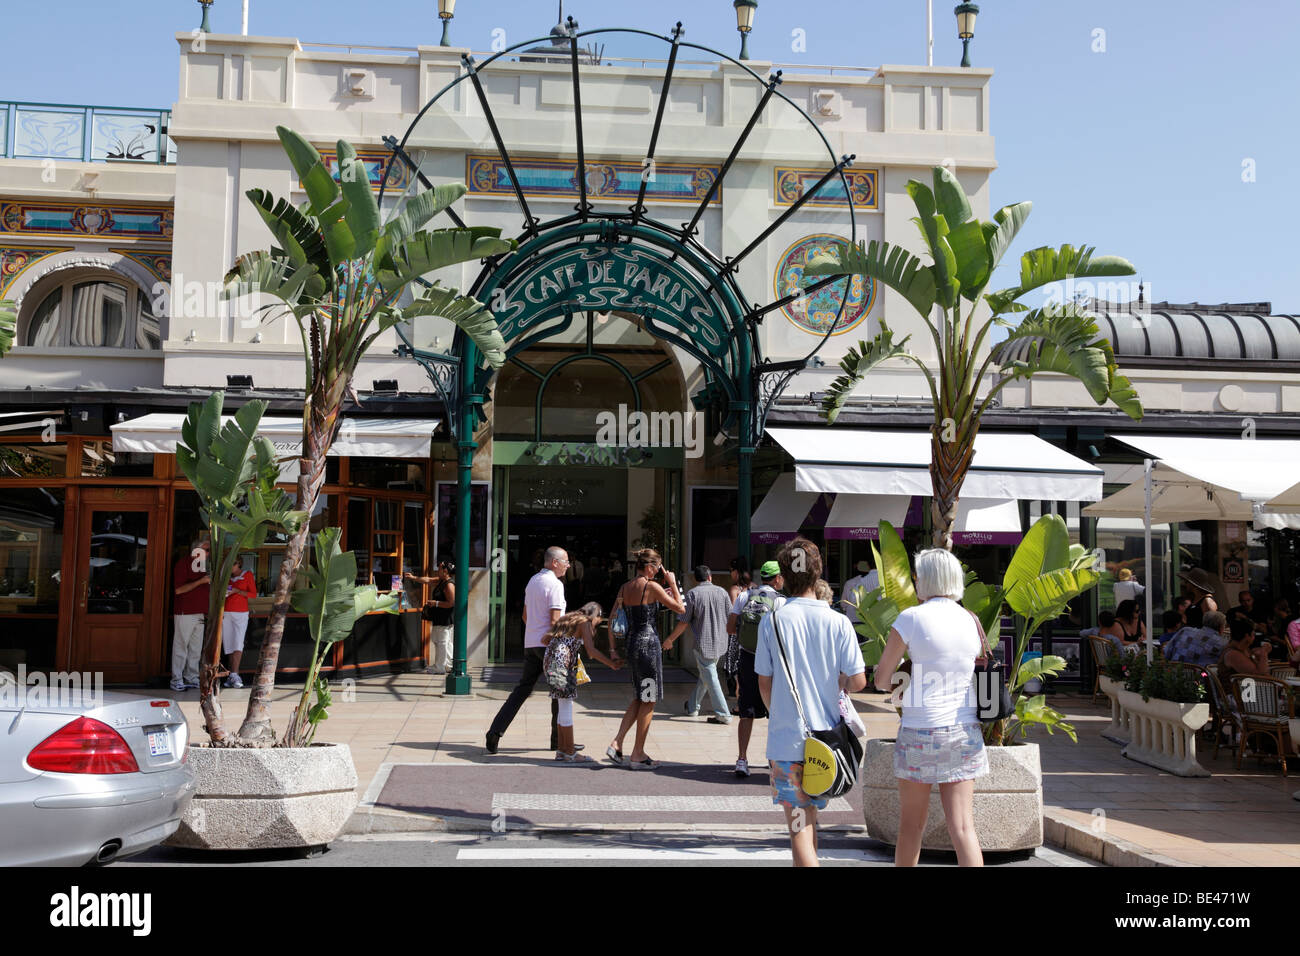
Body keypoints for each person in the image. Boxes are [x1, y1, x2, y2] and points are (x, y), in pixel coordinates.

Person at [754, 538, 866, 867]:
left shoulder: (772, 620)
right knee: (811, 820)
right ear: (818, 574)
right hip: (828, 744)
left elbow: (764, 681)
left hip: (787, 743)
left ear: (783, 576)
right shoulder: (839, 622)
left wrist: (781, 713)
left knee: (799, 828)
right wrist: (836, 682)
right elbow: (858, 681)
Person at [874, 547, 987, 868]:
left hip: (920, 730)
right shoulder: (970, 620)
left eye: (917, 574)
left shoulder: (911, 618)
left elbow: (883, 678)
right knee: (963, 827)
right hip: (964, 731)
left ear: (925, 579)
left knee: (912, 826)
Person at [606, 549, 684, 769]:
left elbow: (612, 620)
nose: (659, 573)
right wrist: (673, 583)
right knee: (648, 699)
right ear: (650, 567)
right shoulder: (651, 586)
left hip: (631, 644)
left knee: (640, 697)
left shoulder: (624, 588)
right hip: (649, 646)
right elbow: (680, 608)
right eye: (658, 569)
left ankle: (617, 742)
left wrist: (613, 650)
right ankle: (638, 753)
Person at [485, 546, 567, 755]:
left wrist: (535, 631)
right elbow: (555, 621)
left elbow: (525, 615)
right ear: (555, 562)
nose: (568, 565)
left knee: (522, 690)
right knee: (560, 693)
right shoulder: (555, 584)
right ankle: (559, 741)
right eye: (566, 561)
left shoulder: (533, 581)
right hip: (550, 646)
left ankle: (495, 731)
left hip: (531, 644)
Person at [726, 560, 786, 777]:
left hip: (747, 658)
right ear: (777, 578)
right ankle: (773, 759)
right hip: (771, 662)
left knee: (746, 712)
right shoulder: (780, 602)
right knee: (775, 712)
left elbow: (730, 628)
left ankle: (742, 759)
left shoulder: (744, 596)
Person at [543, 603, 623, 762]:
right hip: (562, 666)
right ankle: (571, 752)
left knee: (562, 705)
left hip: (550, 662)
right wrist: (611, 664)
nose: (596, 624)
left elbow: (545, 639)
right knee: (567, 706)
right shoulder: (584, 622)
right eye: (598, 620)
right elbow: (591, 652)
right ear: (595, 615)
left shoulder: (568, 618)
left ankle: (562, 750)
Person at [663, 565, 733, 724]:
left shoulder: (692, 594)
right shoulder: (722, 592)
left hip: (703, 644)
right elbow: (731, 616)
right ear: (710, 577)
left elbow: (683, 622)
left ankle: (723, 714)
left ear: (696, 579)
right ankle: (693, 706)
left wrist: (670, 640)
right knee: (706, 675)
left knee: (710, 677)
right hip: (721, 642)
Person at [171, 538, 211, 692]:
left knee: (195, 648)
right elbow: (179, 590)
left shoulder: (204, 566)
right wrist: (201, 581)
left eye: (208, 551)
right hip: (185, 612)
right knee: (181, 646)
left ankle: (191, 677)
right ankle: (176, 679)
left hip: (200, 612)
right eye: (206, 550)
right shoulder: (184, 563)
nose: (208, 554)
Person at [406, 561, 455, 674]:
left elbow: (451, 603)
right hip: (440, 618)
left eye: (439, 569)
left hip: (444, 619)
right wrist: (413, 577)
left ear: (445, 571)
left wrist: (436, 603)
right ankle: (448, 665)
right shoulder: (441, 581)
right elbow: (427, 580)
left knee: (441, 642)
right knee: (444, 642)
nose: (437, 571)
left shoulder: (449, 584)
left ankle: (439, 667)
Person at [222, 556, 256, 688]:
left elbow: (253, 594)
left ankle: (235, 673)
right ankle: (232, 675)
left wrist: (237, 591)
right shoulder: (226, 578)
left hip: (241, 613)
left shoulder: (247, 575)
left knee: (238, 643)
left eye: (232, 565)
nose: (230, 568)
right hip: (226, 612)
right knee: (229, 644)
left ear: (238, 564)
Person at [721, 558, 753, 700]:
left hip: (737, 632)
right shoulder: (754, 587)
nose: (730, 574)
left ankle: (738, 693)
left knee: (734, 663)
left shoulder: (735, 589)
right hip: (751, 630)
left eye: (731, 571)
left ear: (737, 571)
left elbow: (734, 610)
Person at [1164, 611, 1229, 668]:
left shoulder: (1185, 630)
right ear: (1221, 627)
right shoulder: (1222, 643)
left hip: (1175, 674)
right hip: (1202, 678)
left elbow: (1166, 651)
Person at [1218, 617, 1271, 683]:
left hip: (1251, 689)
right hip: (1237, 692)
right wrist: (1264, 653)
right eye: (1253, 634)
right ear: (1247, 636)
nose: (1254, 637)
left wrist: (1257, 656)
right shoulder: (1233, 654)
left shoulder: (1244, 649)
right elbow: (1260, 676)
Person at [839, 559, 879, 624]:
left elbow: (844, 603)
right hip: (872, 620)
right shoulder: (883, 578)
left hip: (853, 619)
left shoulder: (855, 582)